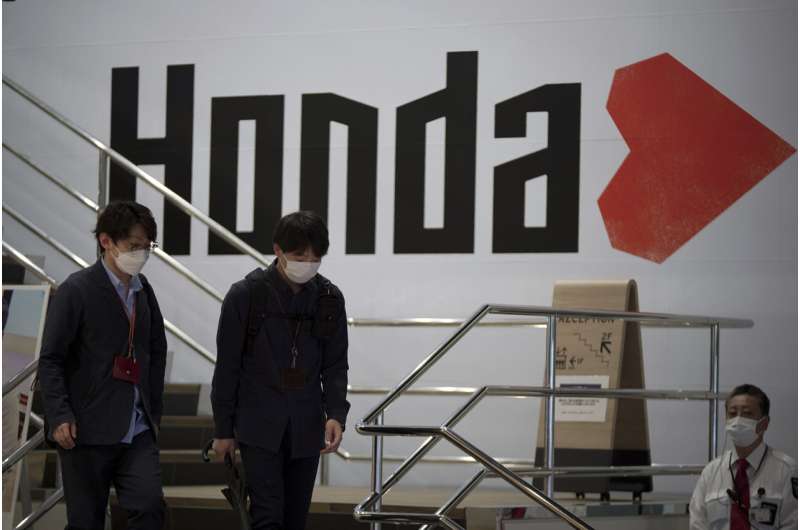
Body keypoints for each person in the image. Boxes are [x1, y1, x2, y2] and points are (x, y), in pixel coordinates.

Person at [211, 210, 350, 530]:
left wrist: (336, 414)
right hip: (258, 426)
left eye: (316, 258)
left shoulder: (329, 298)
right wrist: (223, 430)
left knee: (295, 518)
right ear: (277, 250)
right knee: (267, 515)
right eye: (300, 257)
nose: (308, 264)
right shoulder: (245, 295)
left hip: (306, 426)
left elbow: (335, 364)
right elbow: (227, 368)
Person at [38, 201, 167, 530]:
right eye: (133, 246)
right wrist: (60, 414)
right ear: (106, 241)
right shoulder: (76, 290)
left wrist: (153, 412)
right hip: (86, 430)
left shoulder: (144, 291)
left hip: (136, 428)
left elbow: (156, 351)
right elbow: (51, 359)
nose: (141, 254)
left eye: (147, 247)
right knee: (85, 521)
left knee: (150, 506)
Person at [690, 384, 797, 529]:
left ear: (764, 423)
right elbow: (698, 523)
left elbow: (793, 524)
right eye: (732, 413)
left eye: (747, 414)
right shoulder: (711, 472)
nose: (738, 421)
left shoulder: (787, 471)